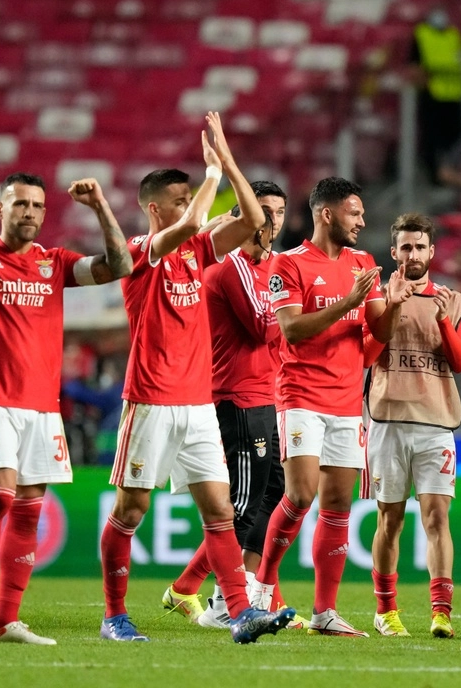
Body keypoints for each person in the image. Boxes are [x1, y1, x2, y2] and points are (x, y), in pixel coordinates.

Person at [100, 112, 294, 643]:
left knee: (220, 511)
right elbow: (188, 225)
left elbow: (251, 217)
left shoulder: (196, 252)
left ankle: (238, 612)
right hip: (150, 401)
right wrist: (210, 177)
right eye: (182, 200)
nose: (192, 209)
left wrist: (228, 162)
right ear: (154, 209)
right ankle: (114, 614)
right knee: (131, 509)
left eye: (194, 198)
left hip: (197, 404)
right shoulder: (141, 254)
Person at [0, 170, 132, 644]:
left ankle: (6, 620)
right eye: (20, 204)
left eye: (37, 206)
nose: (30, 213)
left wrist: (101, 206)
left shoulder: (53, 263)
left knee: (29, 510)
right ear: (0, 210)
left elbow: (118, 266)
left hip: (42, 406)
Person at [252, 176, 415, 637]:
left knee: (339, 505)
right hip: (300, 395)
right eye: (354, 212)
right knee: (300, 493)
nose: (363, 221)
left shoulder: (364, 263)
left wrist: (395, 306)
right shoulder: (290, 263)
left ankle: (325, 611)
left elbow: (379, 334)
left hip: (346, 400)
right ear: (327, 214)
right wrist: (350, 301)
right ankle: (262, 590)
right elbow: (293, 331)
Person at [160, 180, 308, 629]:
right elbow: (267, 328)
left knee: (274, 493)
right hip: (236, 396)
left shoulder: (274, 268)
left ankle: (189, 586)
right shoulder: (232, 268)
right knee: (243, 505)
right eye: (264, 209)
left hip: (264, 393)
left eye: (280, 210)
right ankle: (227, 604)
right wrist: (302, 315)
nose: (273, 219)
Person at [361, 214, 461, 639]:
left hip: (435, 423)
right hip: (388, 420)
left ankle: (441, 612)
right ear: (394, 253)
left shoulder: (454, 301)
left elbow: (460, 362)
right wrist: (392, 303)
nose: (412, 255)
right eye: (405, 247)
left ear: (431, 252)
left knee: (436, 517)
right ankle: (385, 611)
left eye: (419, 247)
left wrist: (444, 320)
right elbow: (367, 354)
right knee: (389, 520)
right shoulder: (376, 295)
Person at [410, 5, 461, 179]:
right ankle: (434, 176)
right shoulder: (422, 34)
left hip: (454, 93)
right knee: (432, 140)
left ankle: (453, 173)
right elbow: (415, 65)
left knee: (454, 138)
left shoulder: (453, 34)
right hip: (432, 93)